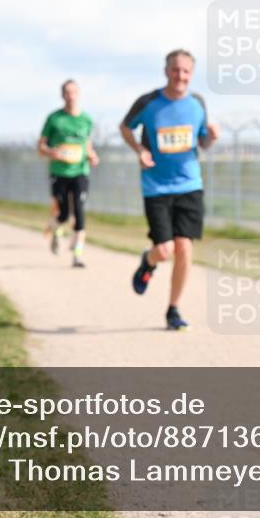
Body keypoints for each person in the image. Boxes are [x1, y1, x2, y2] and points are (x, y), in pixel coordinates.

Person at [120, 49, 220, 331]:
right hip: (156, 186)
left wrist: (211, 136)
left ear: (192, 74)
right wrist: (139, 149)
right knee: (163, 250)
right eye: (176, 70)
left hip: (190, 184)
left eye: (186, 71)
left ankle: (173, 309)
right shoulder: (149, 102)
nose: (181, 76)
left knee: (184, 248)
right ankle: (148, 261)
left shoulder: (198, 103)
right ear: (167, 71)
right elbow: (125, 127)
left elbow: (202, 143)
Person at [38, 79, 99, 268]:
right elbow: (41, 146)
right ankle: (55, 229)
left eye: (74, 92)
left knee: (79, 212)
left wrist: (92, 155)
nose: (71, 96)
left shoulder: (87, 119)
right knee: (63, 214)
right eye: (67, 93)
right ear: (62, 95)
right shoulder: (54, 119)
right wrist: (50, 152)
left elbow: (86, 144)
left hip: (80, 171)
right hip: (59, 172)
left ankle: (77, 255)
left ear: (78, 94)